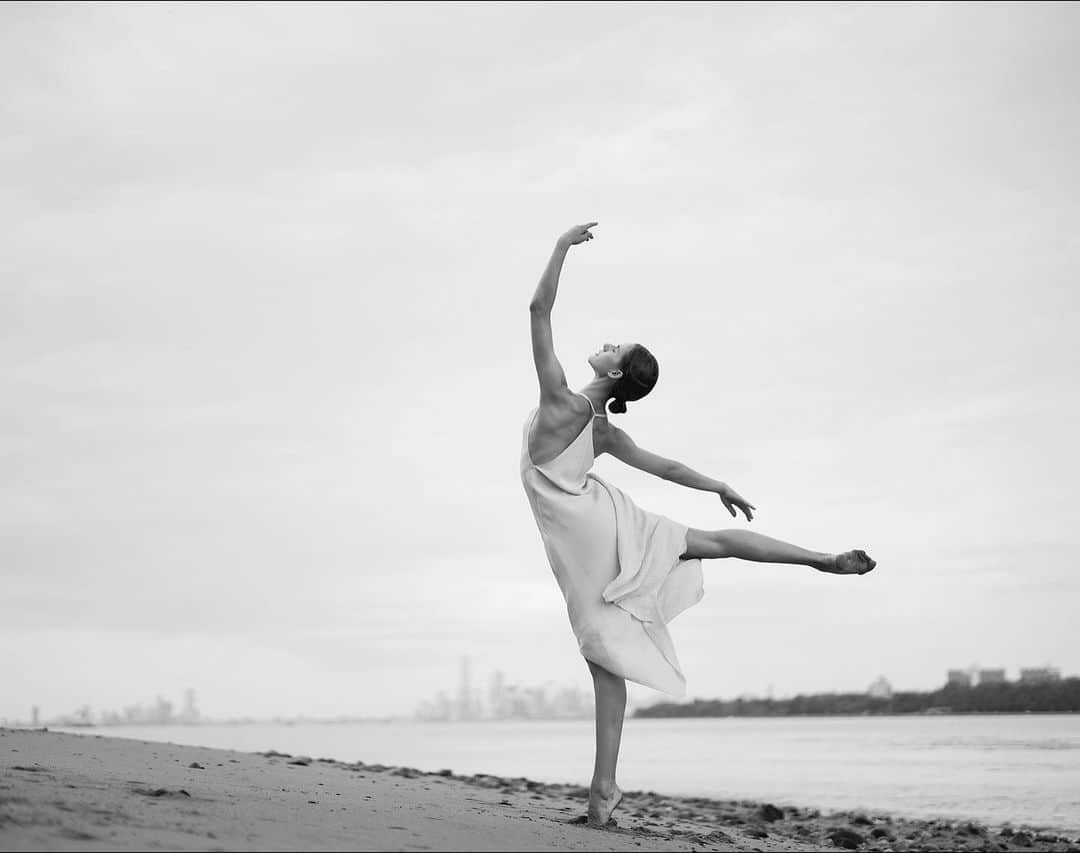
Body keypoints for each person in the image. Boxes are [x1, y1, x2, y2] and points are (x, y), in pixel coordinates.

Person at [519, 222, 877, 828]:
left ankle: (603, 797)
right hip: (602, 518)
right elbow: (668, 466)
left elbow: (538, 309)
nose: (604, 342)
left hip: (589, 536)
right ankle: (821, 560)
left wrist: (559, 245)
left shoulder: (561, 401)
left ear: (612, 370)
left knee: (605, 660)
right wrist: (718, 485)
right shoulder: (603, 430)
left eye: (612, 345)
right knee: (700, 551)